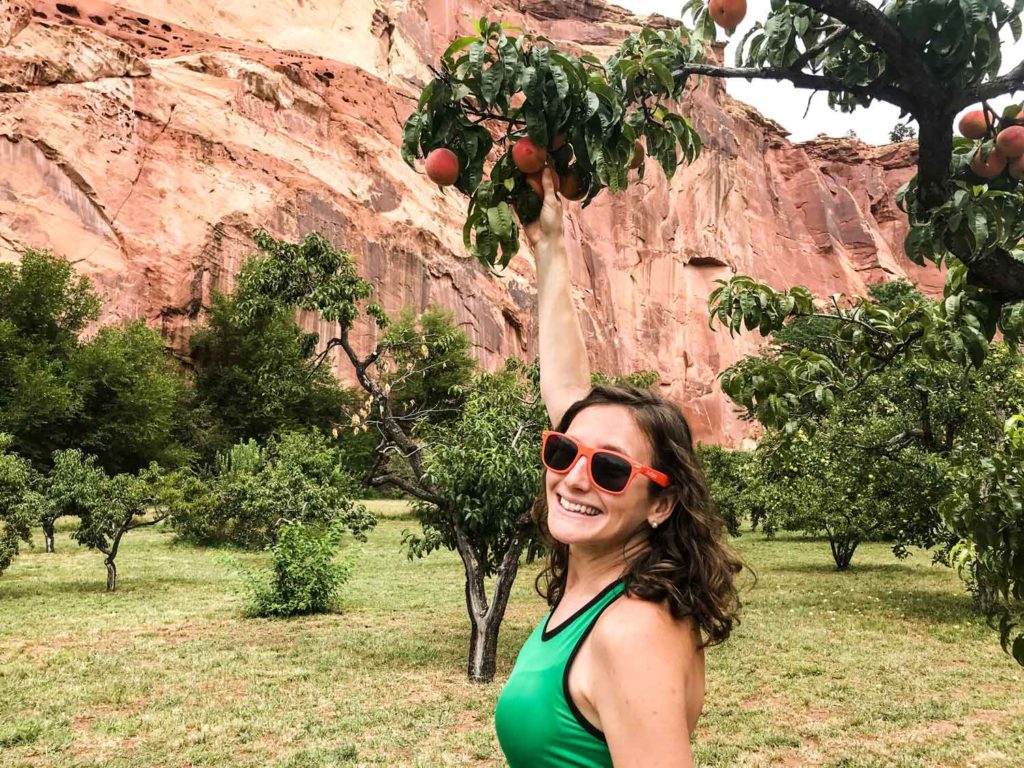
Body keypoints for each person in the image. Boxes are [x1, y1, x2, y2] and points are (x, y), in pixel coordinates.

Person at [494, 168, 747, 767]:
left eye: (610, 470)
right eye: (562, 453)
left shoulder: (632, 632)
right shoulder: (603, 589)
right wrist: (550, 246)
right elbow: (570, 400)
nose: (576, 477)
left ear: (661, 502)